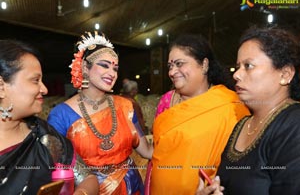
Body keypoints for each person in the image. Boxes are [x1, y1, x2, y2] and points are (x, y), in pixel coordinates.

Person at [197, 27, 300, 195]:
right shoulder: (242, 124)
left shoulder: (294, 125)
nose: (236, 74)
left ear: (285, 74)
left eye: (248, 66)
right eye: (238, 66)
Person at [47, 31, 153, 195]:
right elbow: (56, 170)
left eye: (115, 68)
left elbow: (147, 151)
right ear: (85, 67)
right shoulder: (60, 115)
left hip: (130, 185)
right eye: (104, 65)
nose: (112, 73)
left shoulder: (126, 106)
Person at [147, 34, 250, 194]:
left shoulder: (230, 105)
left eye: (179, 64)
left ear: (204, 65)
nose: (172, 72)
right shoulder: (167, 100)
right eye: (170, 66)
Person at [0, 40, 99, 195]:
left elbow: (88, 179)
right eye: (35, 80)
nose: (45, 89)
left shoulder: (44, 136)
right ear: (1, 87)